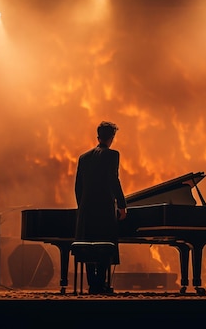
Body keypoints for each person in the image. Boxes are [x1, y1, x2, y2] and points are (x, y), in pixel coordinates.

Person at [74, 121, 127, 294]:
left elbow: (78, 187)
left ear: (98, 137)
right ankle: (101, 284)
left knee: (88, 245)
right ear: (112, 138)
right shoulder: (112, 155)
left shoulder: (83, 157)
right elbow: (114, 180)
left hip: (86, 209)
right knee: (105, 245)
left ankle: (92, 285)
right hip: (104, 208)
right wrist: (122, 205)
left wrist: (81, 207)